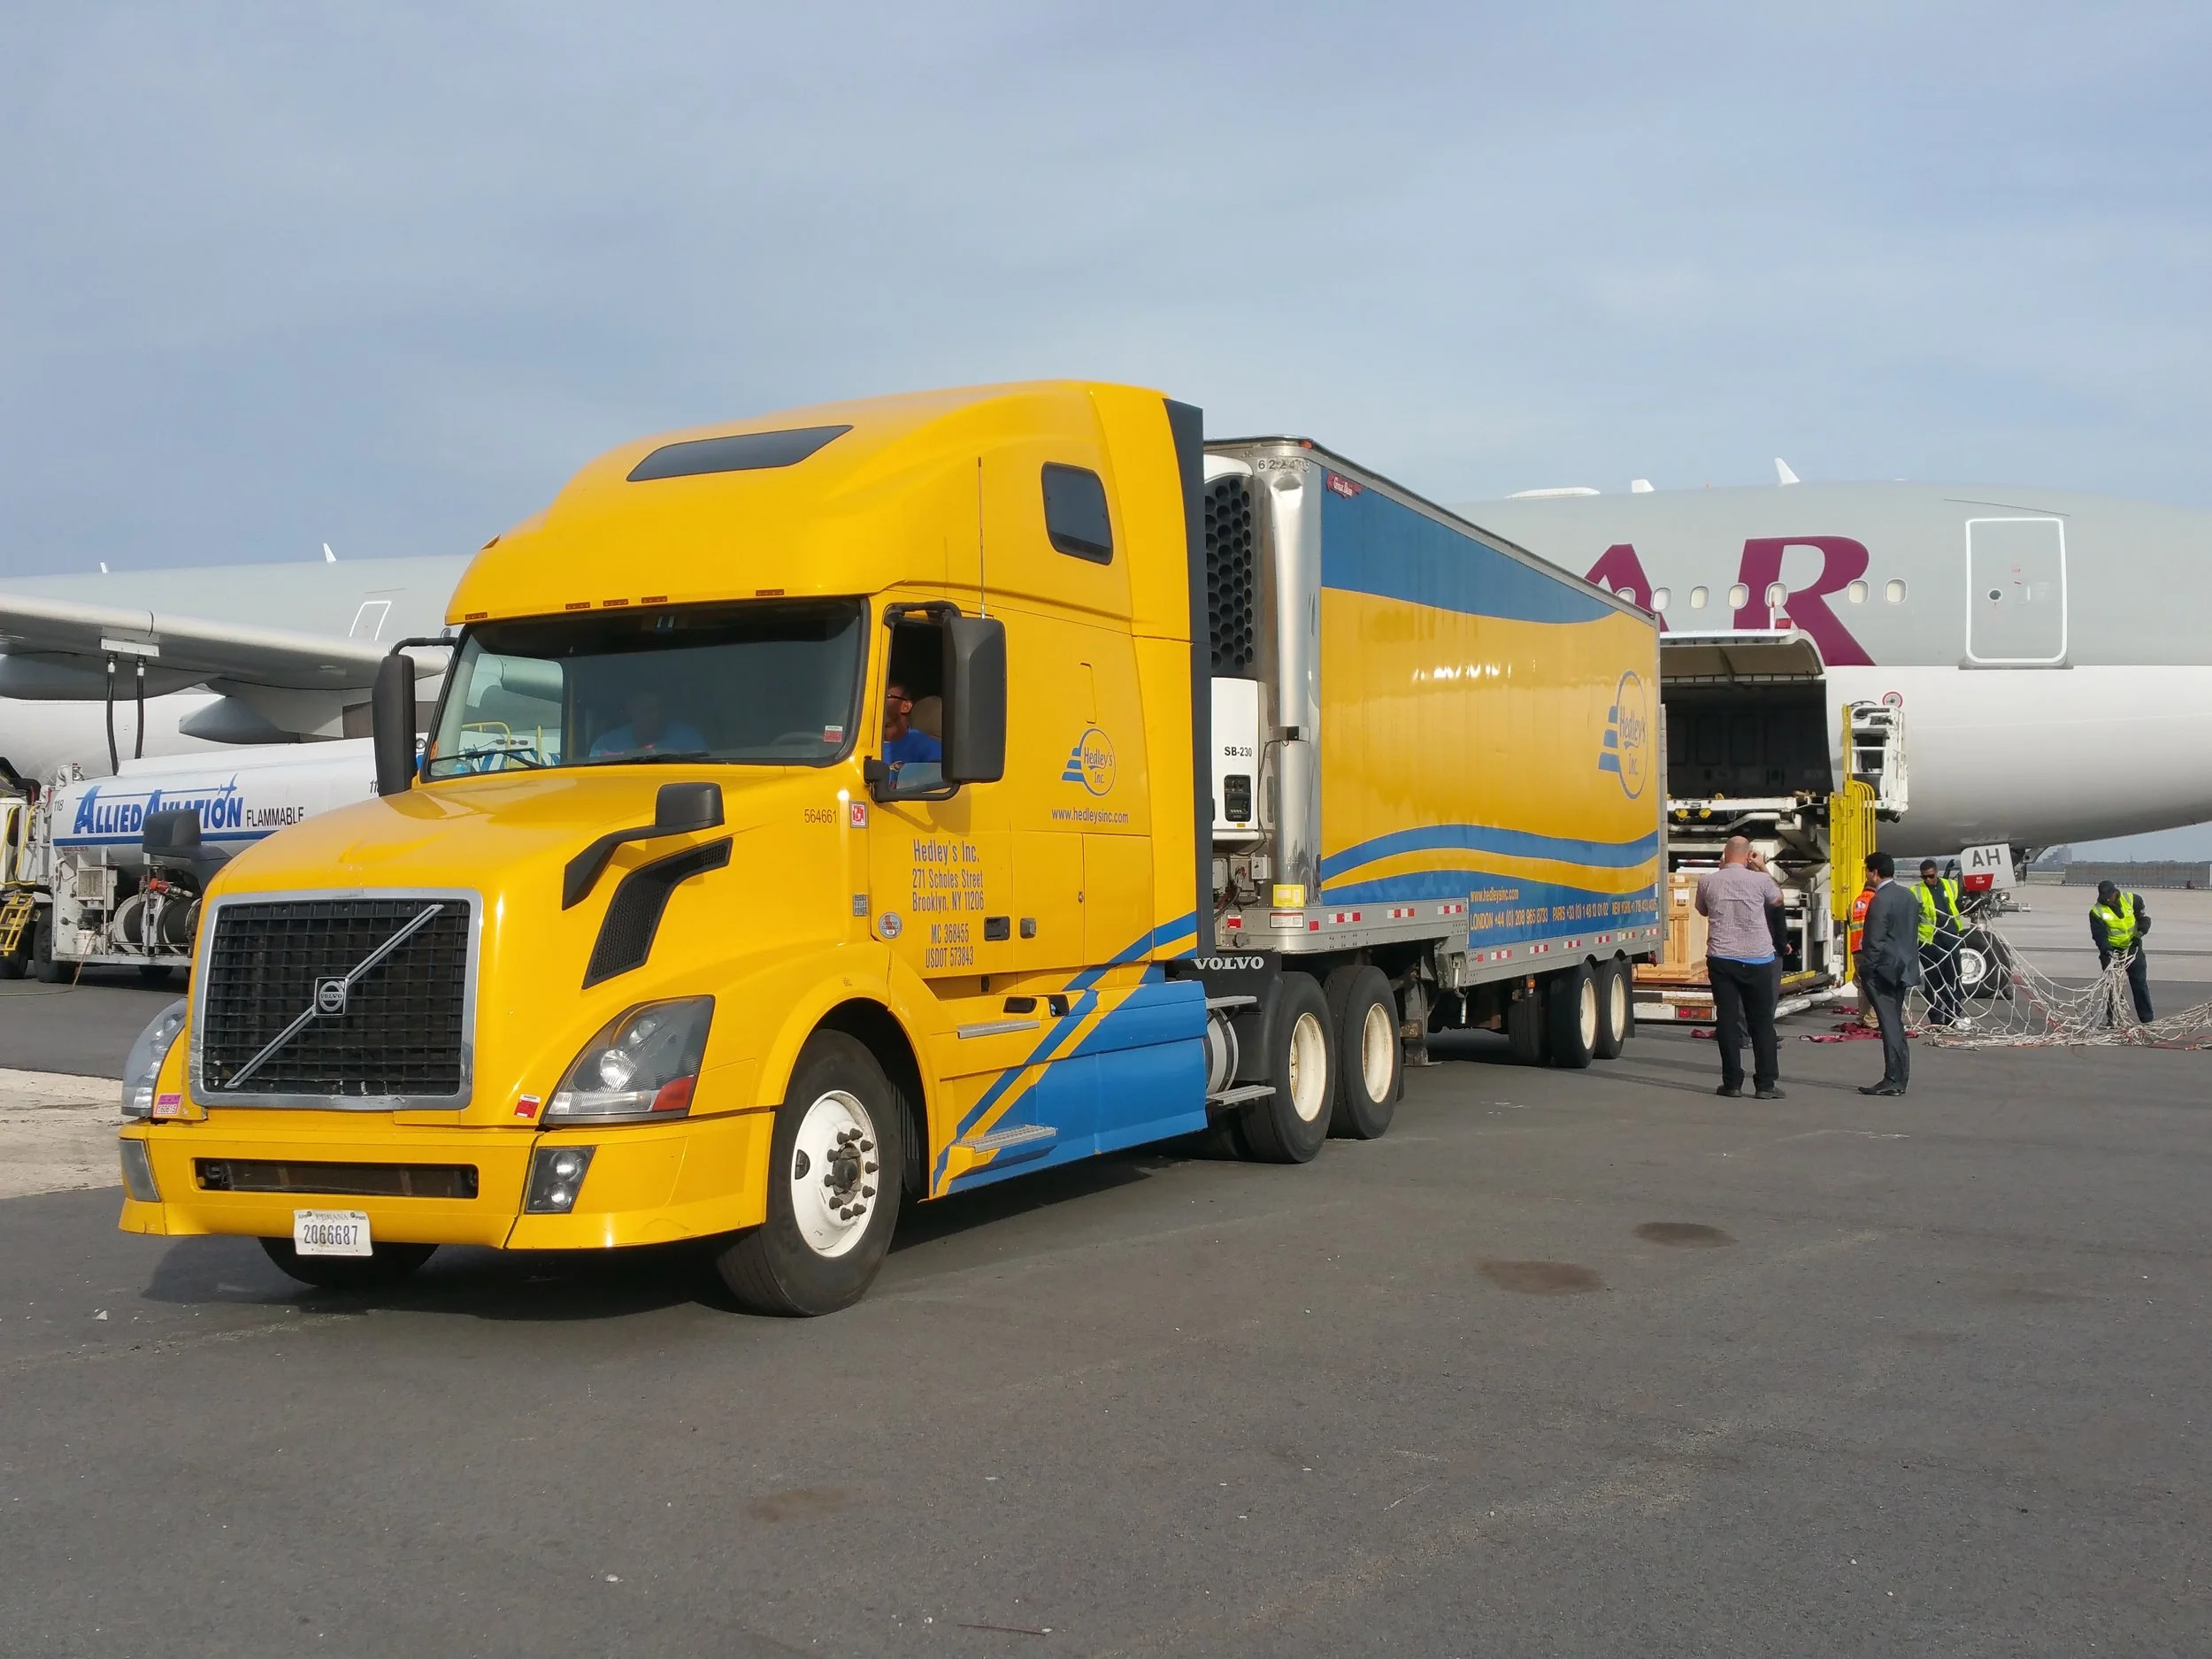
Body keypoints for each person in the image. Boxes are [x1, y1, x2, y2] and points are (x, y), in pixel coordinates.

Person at [1695, 835, 1786, 1100]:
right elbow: (1778, 900)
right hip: (1758, 958)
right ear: (1748, 856)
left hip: (1722, 958)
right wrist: (1763, 867)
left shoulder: (1707, 881)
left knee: (1727, 1020)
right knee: (1762, 1022)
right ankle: (1765, 1084)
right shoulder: (1760, 881)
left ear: (1724, 856)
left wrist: (1721, 872)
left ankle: (1732, 1083)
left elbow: (1702, 909)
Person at [1855, 852, 1921, 1095]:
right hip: (1904, 968)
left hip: (1884, 971)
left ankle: (1893, 1079)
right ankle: (1899, 1077)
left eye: (1867, 870)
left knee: (1890, 1024)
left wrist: (1866, 969)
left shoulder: (1880, 900)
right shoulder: (1908, 896)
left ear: (1874, 872)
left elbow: (1874, 941)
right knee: (1895, 1023)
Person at [2090, 879, 2154, 1025]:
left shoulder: (2133, 900)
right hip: (2111, 952)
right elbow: (2099, 935)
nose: (2107, 900)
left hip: (2133, 949)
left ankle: (2147, 1019)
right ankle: (2114, 1019)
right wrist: (2107, 950)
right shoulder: (2096, 911)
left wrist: (2139, 934)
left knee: (2139, 983)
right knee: (2112, 987)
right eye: (2104, 898)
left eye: (2109, 897)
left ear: (2115, 893)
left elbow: (2144, 919)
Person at [1916, 859, 1966, 1027]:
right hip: (1929, 942)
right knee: (1933, 982)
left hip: (1950, 938)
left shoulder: (1951, 885)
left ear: (1936, 873)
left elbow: (1958, 903)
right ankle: (1936, 1020)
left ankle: (1953, 1016)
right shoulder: (1916, 891)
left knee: (1954, 979)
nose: (1928, 880)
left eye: (1931, 876)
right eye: (1925, 877)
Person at [588, 687, 706, 758]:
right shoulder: (606, 746)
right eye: (648, 710)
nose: (656, 716)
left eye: (661, 709)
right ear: (631, 709)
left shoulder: (689, 741)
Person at [880, 680, 941, 779]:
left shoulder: (925, 745)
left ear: (906, 706)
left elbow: (938, 778)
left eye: (886, 697)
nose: (878, 702)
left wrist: (904, 784)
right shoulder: (859, 743)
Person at [1847, 871, 1880, 1029]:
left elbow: (1850, 923)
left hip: (1856, 949)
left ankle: (1862, 1017)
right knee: (1877, 984)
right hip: (1871, 948)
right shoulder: (1877, 901)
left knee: (1862, 985)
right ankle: (1872, 1019)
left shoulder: (1853, 902)